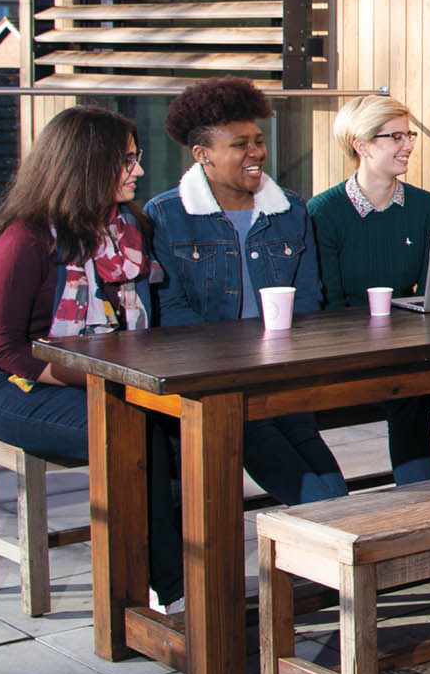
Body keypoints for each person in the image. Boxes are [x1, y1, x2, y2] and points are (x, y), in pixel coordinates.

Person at [0, 106, 185, 610]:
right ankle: (169, 593)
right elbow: (3, 348)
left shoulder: (128, 229)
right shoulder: (23, 240)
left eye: (136, 158)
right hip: (17, 383)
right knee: (134, 430)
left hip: (111, 373)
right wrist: (90, 379)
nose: (138, 170)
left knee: (192, 428)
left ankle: (187, 569)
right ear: (87, 165)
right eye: (126, 160)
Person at [146, 77, 347, 505]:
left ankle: (336, 527)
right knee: (277, 450)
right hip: (215, 380)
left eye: (258, 140)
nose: (256, 152)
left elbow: (308, 297)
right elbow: (170, 309)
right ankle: (336, 529)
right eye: (240, 144)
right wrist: (234, 362)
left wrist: (280, 360)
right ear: (203, 155)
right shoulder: (165, 216)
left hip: (281, 368)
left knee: (310, 449)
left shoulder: (290, 209)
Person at [307, 96, 430, 484]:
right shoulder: (324, 212)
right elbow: (330, 304)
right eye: (395, 136)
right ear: (362, 145)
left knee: (418, 389)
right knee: (407, 389)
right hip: (346, 344)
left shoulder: (425, 207)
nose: (408, 145)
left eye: (410, 135)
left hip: (406, 343)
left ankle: (424, 502)